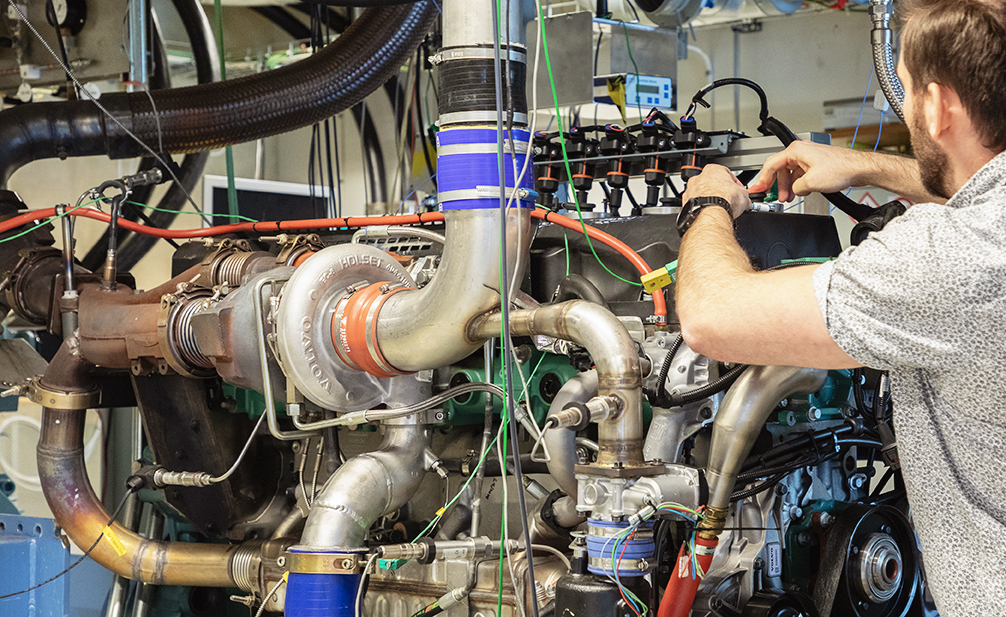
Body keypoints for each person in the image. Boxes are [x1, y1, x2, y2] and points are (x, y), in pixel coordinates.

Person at [672, 0, 1006, 614]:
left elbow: (708, 317)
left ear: (937, 106)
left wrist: (706, 207)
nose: (906, 110)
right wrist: (869, 168)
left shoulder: (950, 257)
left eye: (904, 91)